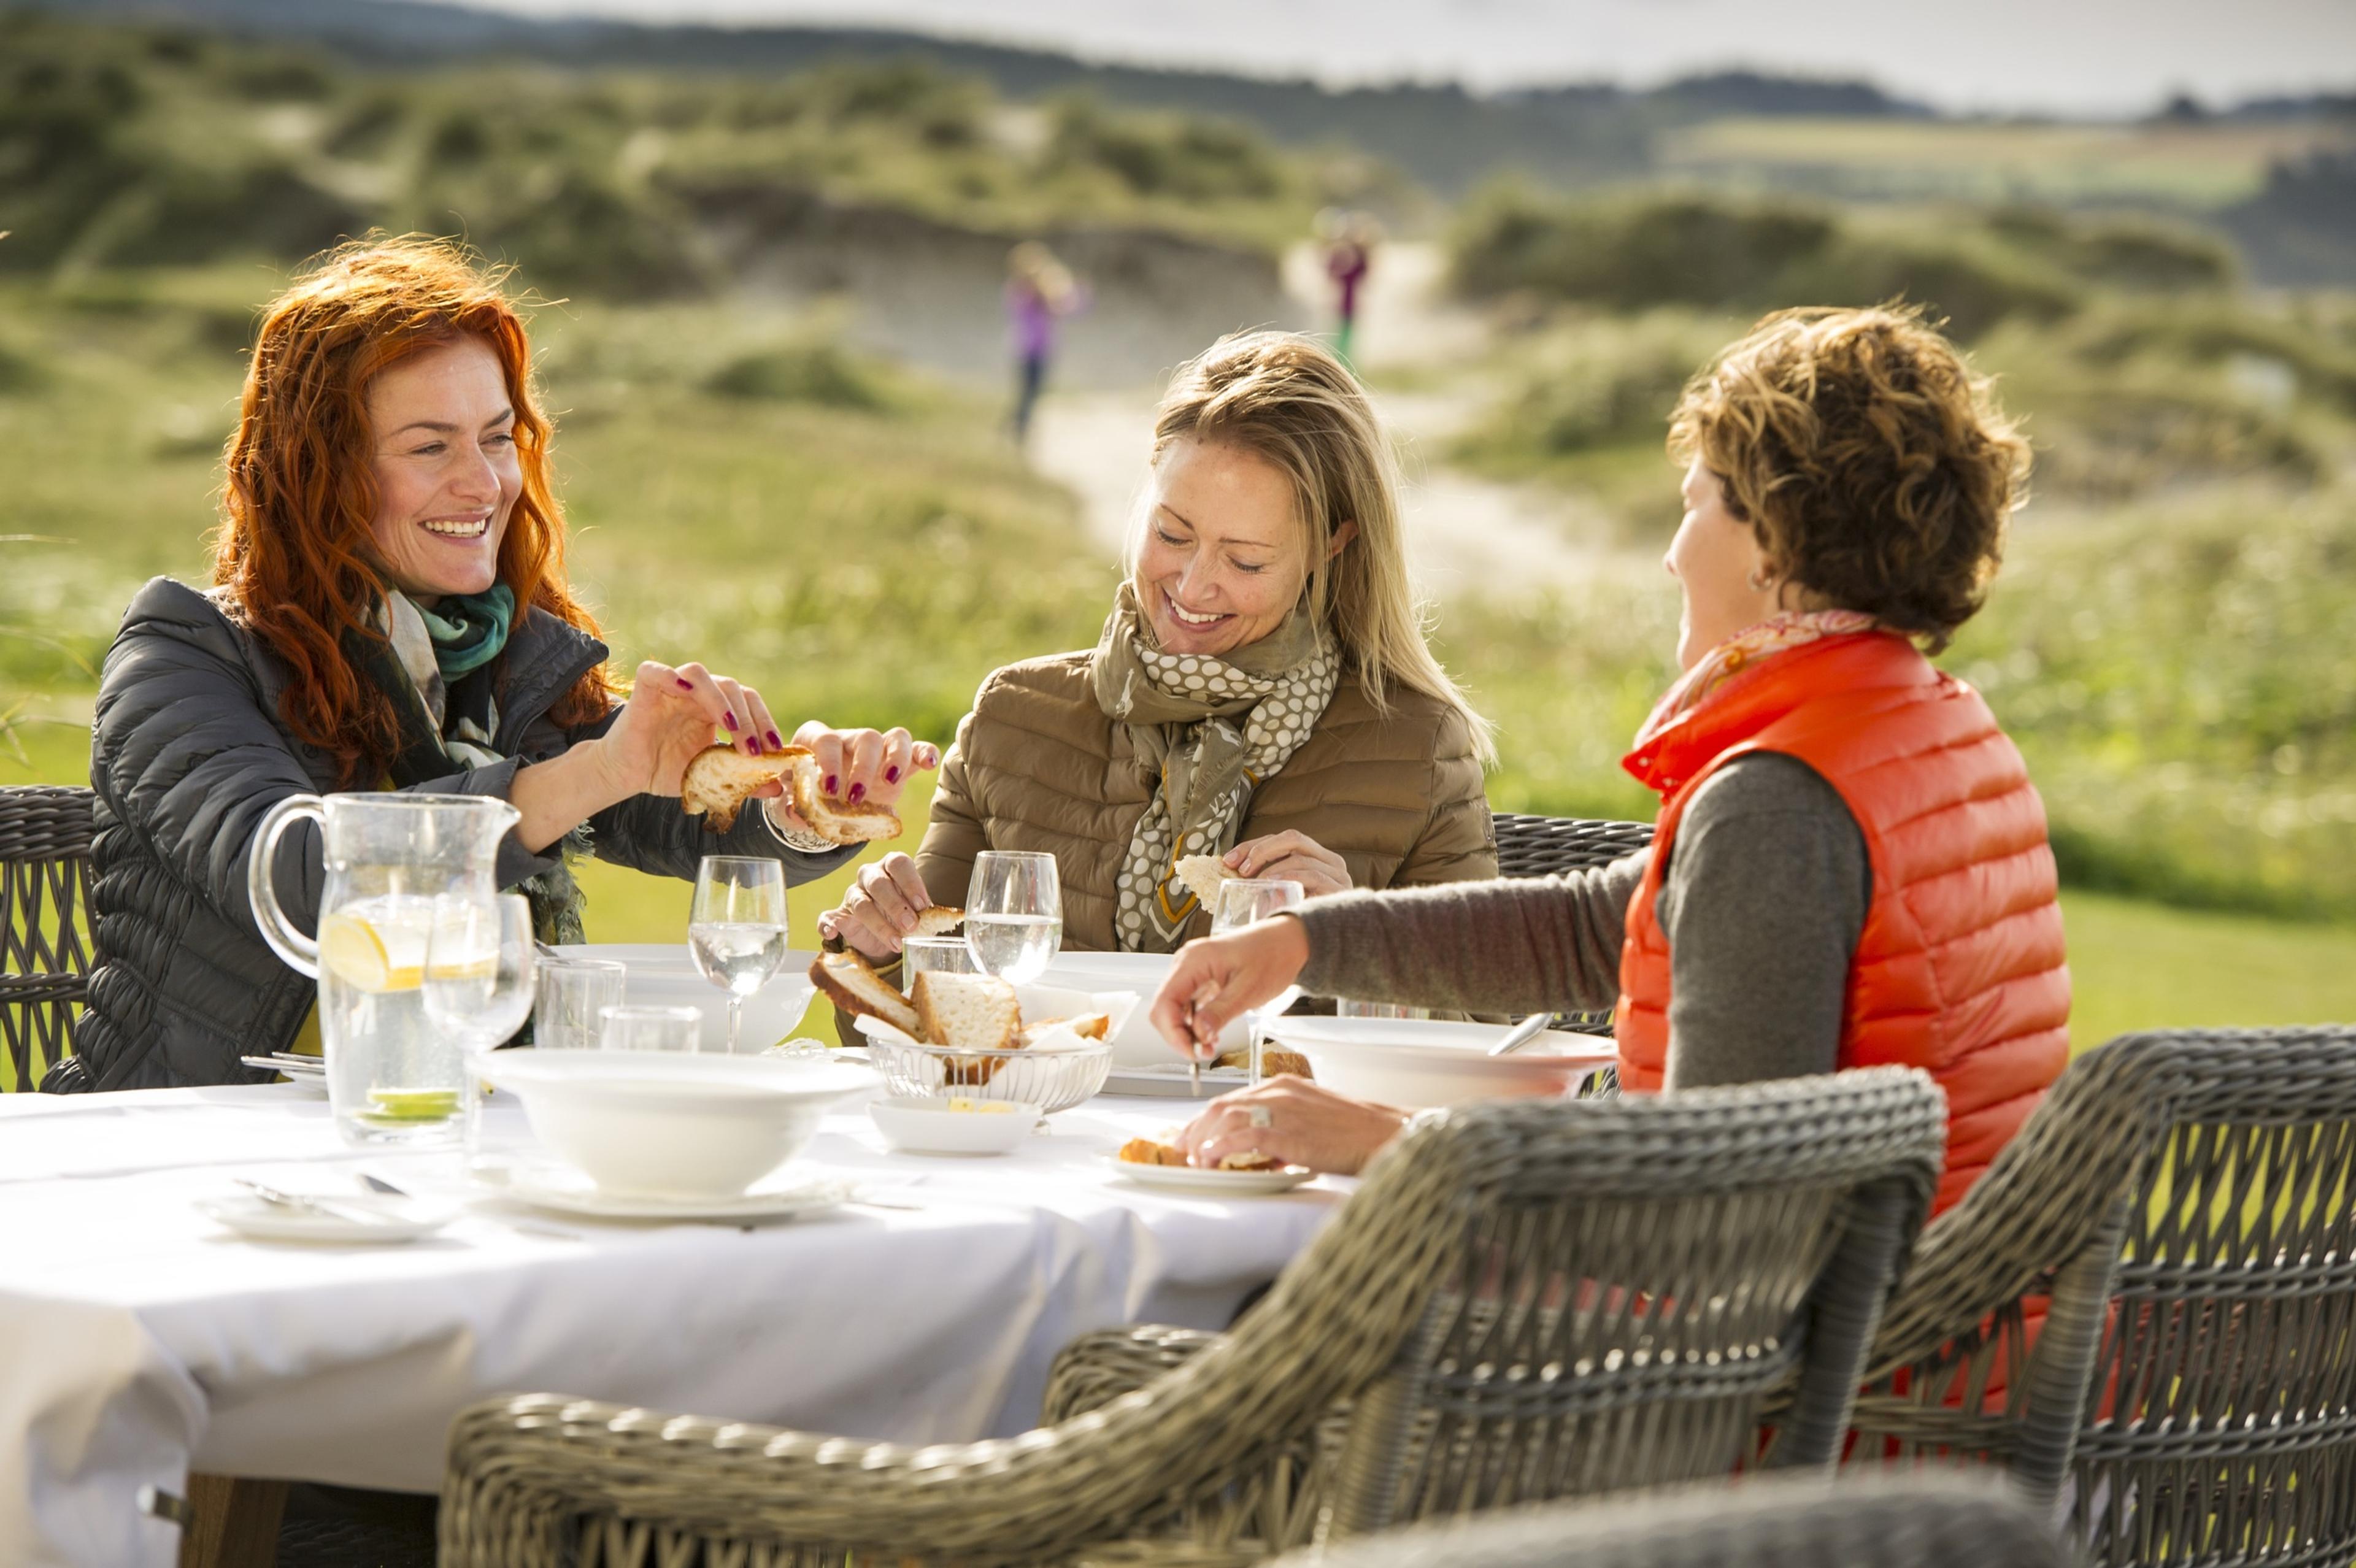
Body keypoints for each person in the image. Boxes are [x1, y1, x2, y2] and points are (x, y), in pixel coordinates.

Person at [1150, 305, 2071, 1215]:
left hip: (1811, 1357)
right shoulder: (1928, 728)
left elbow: (1711, 1181)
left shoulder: (1783, 803)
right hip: (1947, 1336)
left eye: (1695, 504)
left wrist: (1384, 1142)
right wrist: (1308, 944)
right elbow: (1602, 928)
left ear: (1772, 542)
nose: (1673, 556)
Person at [55, 237, 935, 1092]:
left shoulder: (499, 652)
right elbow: (298, 879)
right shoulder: (185, 652)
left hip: (454, 1118)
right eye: (430, 447)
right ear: (318, 475)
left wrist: (805, 804)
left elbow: (668, 816)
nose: (483, 484)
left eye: (498, 437)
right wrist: (593, 771)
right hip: (201, 1135)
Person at [821, 330, 1497, 971]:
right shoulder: (1014, 717)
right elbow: (921, 1013)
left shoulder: (1418, 747)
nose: (1194, 585)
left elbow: (1487, 1037)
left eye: (1247, 561)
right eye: (1173, 535)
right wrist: (876, 949)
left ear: (1331, 546)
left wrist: (1355, 941)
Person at [1005, 240, 1082, 446]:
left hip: (1036, 350)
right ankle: (1019, 430)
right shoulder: (1025, 292)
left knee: (1030, 393)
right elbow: (1061, 304)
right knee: (1029, 393)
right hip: (1032, 350)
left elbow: (1067, 307)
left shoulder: (1028, 292)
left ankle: (1018, 428)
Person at [1322, 212, 1377, 367]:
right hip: (1340, 302)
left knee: (1345, 338)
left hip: (1348, 302)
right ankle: (1338, 365)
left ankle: (1343, 366)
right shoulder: (1338, 255)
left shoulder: (1356, 257)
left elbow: (1364, 271)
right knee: (1339, 337)